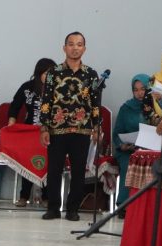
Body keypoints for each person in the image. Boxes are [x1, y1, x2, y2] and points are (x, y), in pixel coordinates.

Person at [39, 32, 100, 221]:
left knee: (78, 171)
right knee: (54, 170)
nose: (75, 48)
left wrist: (97, 126)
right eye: (71, 44)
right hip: (57, 128)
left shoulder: (91, 74)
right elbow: (46, 101)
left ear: (84, 49)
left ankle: (73, 209)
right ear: (64, 48)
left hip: (82, 129)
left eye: (79, 44)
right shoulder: (53, 73)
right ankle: (53, 208)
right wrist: (44, 127)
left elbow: (95, 103)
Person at [8, 57, 56, 207]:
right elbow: (15, 105)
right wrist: (11, 122)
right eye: (46, 73)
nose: (49, 77)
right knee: (27, 163)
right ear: (38, 73)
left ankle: (47, 197)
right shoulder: (27, 87)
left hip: (50, 132)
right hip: (30, 133)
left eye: (52, 74)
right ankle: (24, 196)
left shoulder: (58, 88)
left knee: (48, 164)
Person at [112, 74, 151, 217]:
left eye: (143, 89)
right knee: (129, 163)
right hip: (129, 150)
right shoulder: (126, 108)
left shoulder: (156, 107)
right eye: (136, 90)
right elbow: (117, 133)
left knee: (153, 164)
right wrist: (122, 145)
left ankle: (146, 206)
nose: (140, 93)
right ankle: (124, 205)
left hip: (150, 150)